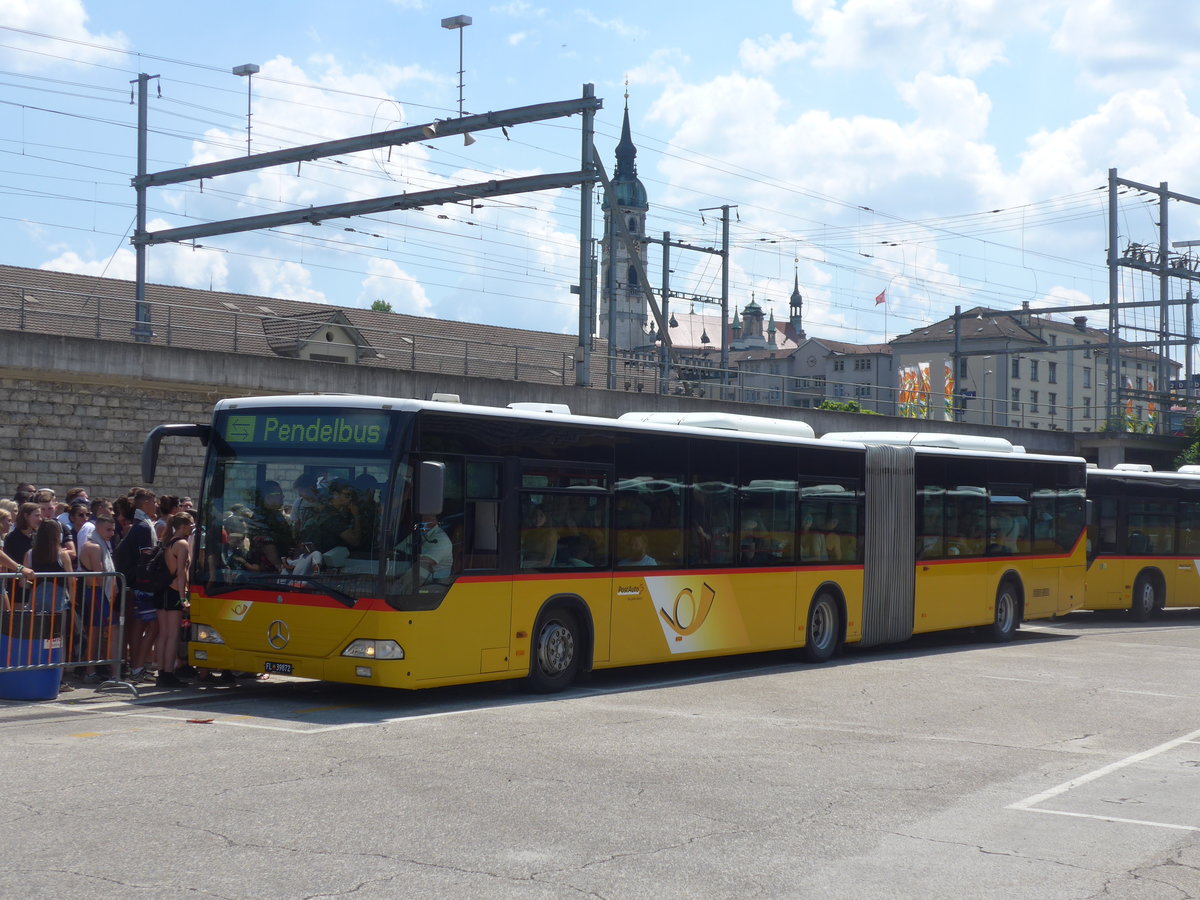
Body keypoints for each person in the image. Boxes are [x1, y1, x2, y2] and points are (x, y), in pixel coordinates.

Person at [154, 513, 193, 688]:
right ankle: (169, 673)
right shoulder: (182, 544)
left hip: (162, 590)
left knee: (163, 634)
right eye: (190, 524)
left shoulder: (166, 542)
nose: (192, 527)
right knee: (173, 635)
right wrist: (183, 598)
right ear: (183, 525)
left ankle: (162, 672)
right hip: (174, 591)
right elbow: (181, 573)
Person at [77, 516, 118, 684]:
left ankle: (91, 670)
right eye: (108, 529)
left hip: (98, 593)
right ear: (98, 528)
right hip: (97, 593)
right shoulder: (94, 547)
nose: (112, 533)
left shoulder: (100, 545)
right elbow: (100, 574)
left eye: (113, 529)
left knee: (95, 632)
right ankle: (114, 673)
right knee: (113, 629)